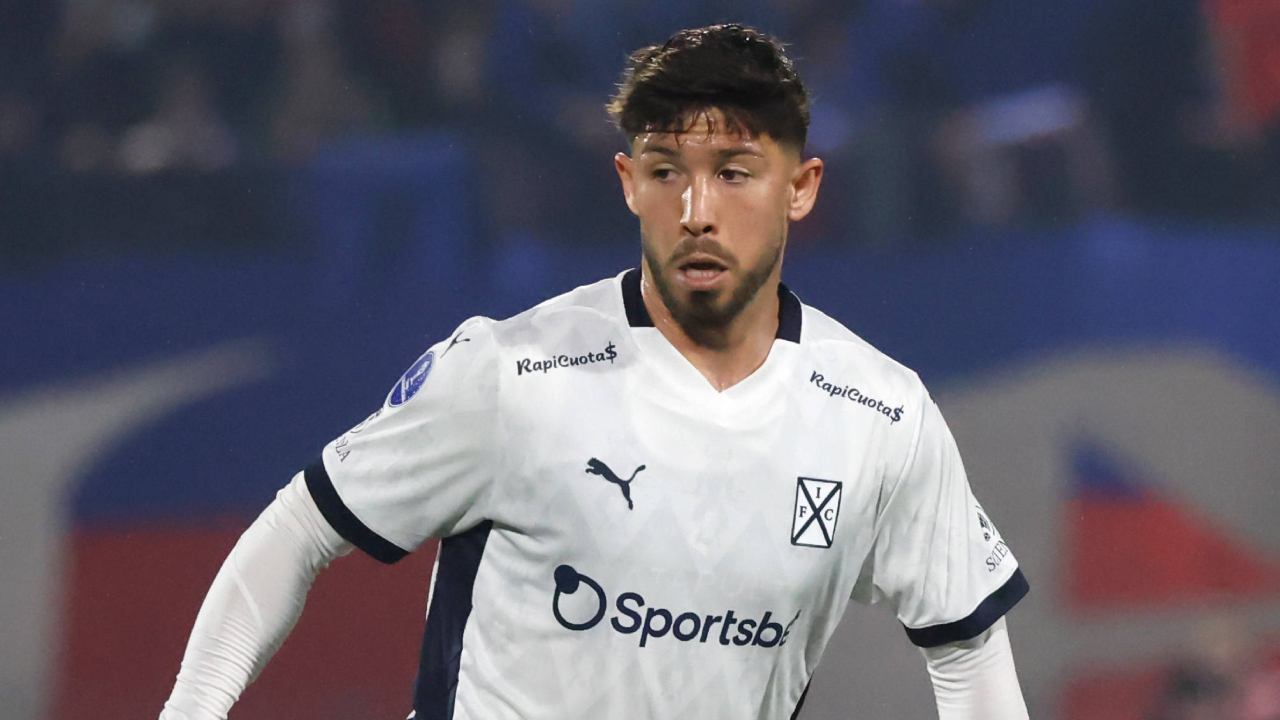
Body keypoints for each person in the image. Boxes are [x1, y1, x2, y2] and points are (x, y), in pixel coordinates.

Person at [160, 24, 1030, 720]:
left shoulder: (879, 413)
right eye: (666, 172)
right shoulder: (511, 374)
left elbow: (968, 648)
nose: (697, 211)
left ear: (800, 187)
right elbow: (301, 528)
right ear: (628, 183)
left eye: (734, 174)